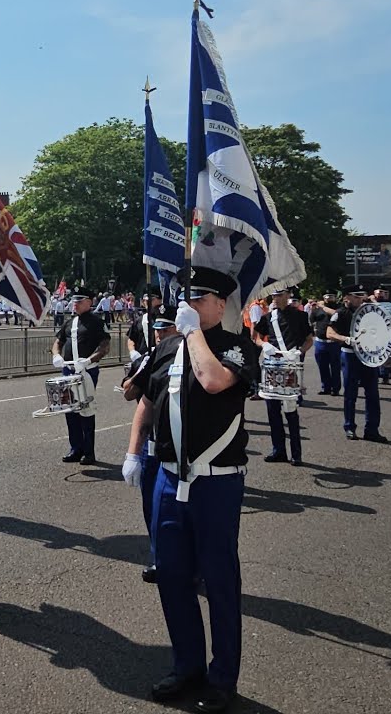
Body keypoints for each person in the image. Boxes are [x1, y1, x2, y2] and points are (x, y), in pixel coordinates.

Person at [122, 267, 261, 713]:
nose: (189, 306)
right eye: (187, 298)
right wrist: (132, 451)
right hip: (165, 476)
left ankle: (223, 679)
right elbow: (143, 397)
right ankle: (187, 666)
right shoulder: (166, 347)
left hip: (215, 481)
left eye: (200, 299)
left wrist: (192, 334)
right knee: (172, 577)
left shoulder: (238, 347)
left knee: (219, 581)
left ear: (221, 305)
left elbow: (213, 380)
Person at [121, 306, 179, 583]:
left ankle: (193, 564)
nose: (160, 335)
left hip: (182, 444)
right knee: (152, 508)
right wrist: (141, 368)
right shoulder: (150, 358)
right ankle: (159, 558)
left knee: (180, 510)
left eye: (166, 329)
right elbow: (129, 392)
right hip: (152, 444)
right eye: (157, 330)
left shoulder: (189, 356)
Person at [254, 287, 313, 465]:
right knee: (272, 411)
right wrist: (264, 346)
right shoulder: (268, 317)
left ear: (288, 295)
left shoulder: (300, 316)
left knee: (291, 410)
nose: (276, 299)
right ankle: (278, 450)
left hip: (291, 365)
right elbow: (256, 336)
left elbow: (309, 339)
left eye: (279, 295)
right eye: (274, 296)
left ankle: (296, 453)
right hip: (273, 366)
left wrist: (300, 351)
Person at [52, 286, 110, 465]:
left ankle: (89, 451)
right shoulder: (69, 322)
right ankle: (75, 448)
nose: (75, 304)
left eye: (79, 301)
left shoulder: (96, 322)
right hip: (68, 370)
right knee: (70, 410)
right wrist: (56, 355)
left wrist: (88, 360)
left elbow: (105, 346)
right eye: (74, 301)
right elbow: (58, 341)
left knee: (86, 409)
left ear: (89, 302)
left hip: (86, 370)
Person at [326, 283, 387, 442]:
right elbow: (330, 333)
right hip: (350, 355)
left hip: (369, 355)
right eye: (356, 296)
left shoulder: (371, 311)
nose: (361, 298)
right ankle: (349, 427)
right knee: (350, 394)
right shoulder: (341, 313)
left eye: (362, 295)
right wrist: (346, 339)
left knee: (373, 394)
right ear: (347, 297)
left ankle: (372, 430)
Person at [310, 291, 341, 396]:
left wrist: (322, 307)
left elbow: (336, 314)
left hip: (334, 342)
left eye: (331, 296)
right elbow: (311, 320)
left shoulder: (339, 308)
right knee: (322, 366)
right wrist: (312, 310)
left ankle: (335, 388)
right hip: (321, 342)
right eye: (327, 296)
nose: (329, 298)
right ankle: (325, 387)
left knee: (335, 366)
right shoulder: (318, 309)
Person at [127, 286, 165, 360]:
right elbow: (131, 338)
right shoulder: (140, 320)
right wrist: (132, 351)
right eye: (145, 300)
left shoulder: (166, 319)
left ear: (161, 300)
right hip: (142, 359)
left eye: (151, 300)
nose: (147, 303)